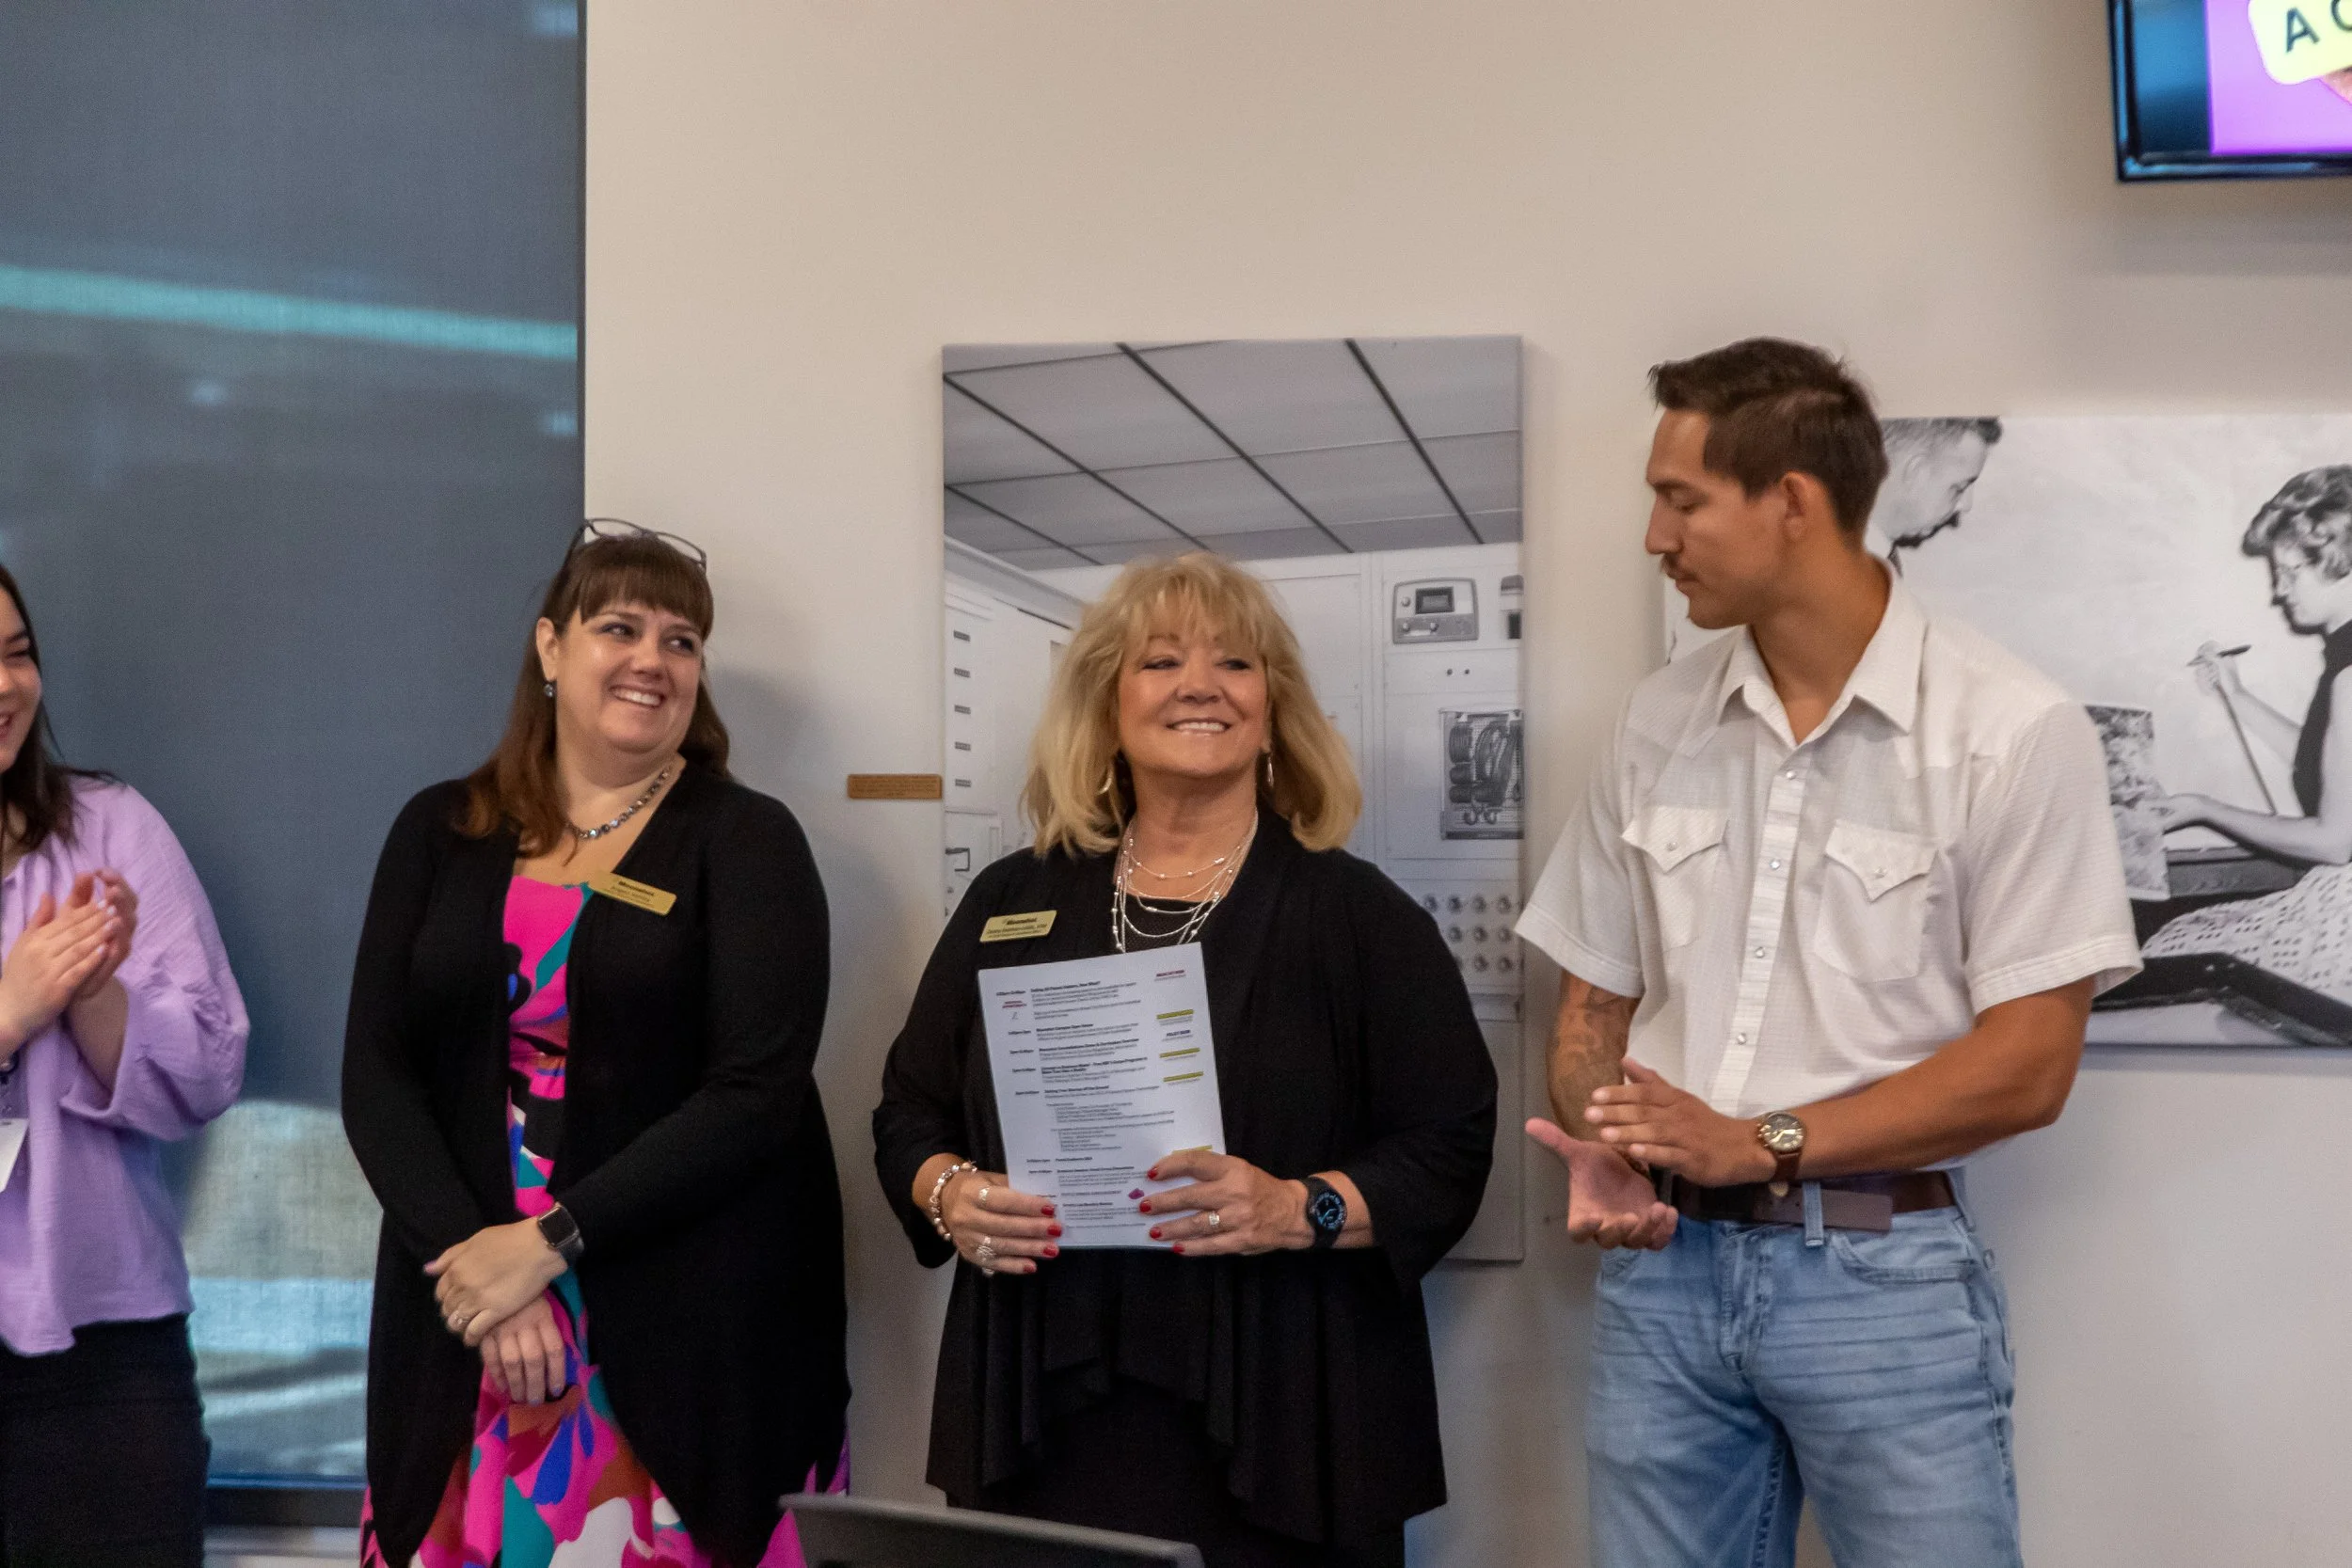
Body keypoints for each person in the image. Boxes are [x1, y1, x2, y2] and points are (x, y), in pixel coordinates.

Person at [1517, 340, 2139, 1568]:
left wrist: (1762, 1140)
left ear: (1790, 501)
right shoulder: (1658, 719)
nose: (1653, 533)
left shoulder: (2012, 729)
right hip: (1664, 1280)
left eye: (1680, 497)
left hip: (1883, 1278)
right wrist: (1615, 1140)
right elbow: (1594, 1002)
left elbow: (2029, 1064)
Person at [872, 552, 1496, 1568]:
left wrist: (1298, 1206)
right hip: (1044, 1397)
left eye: (1235, 664)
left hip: (1285, 1409)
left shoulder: (1357, 915)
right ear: (1107, 704)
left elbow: (1451, 1144)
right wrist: (949, 1193)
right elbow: (908, 1110)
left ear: (1272, 708)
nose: (1199, 684)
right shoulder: (1008, 903)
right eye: (1159, 660)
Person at [343, 524, 849, 1568]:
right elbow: (376, 1073)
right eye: (619, 626)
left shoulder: (745, 840)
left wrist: (547, 1242)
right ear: (548, 646)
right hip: (466, 1304)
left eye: (680, 640)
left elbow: (757, 1091)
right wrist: (477, 1267)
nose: (651, 661)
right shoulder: (442, 829)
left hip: (675, 1316)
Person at [0, 562, 249, 1567]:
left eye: (17, 655)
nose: (6, 685)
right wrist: (11, 1011)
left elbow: (207, 1073)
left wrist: (96, 990)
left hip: (107, 1347)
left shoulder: (111, 826)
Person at [2150, 467, 2352, 989]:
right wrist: (2237, 698)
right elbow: (2323, 761)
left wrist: (2203, 808)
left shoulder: (2351, 674)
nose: (2278, 591)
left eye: (2290, 571)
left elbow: (2334, 842)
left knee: (2175, 953)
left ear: (2343, 566)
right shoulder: (2344, 659)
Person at [1867, 417, 2002, 573]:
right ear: (1916, 473)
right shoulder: (1849, 567)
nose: (1966, 505)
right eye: (1959, 488)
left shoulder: (1876, 557)